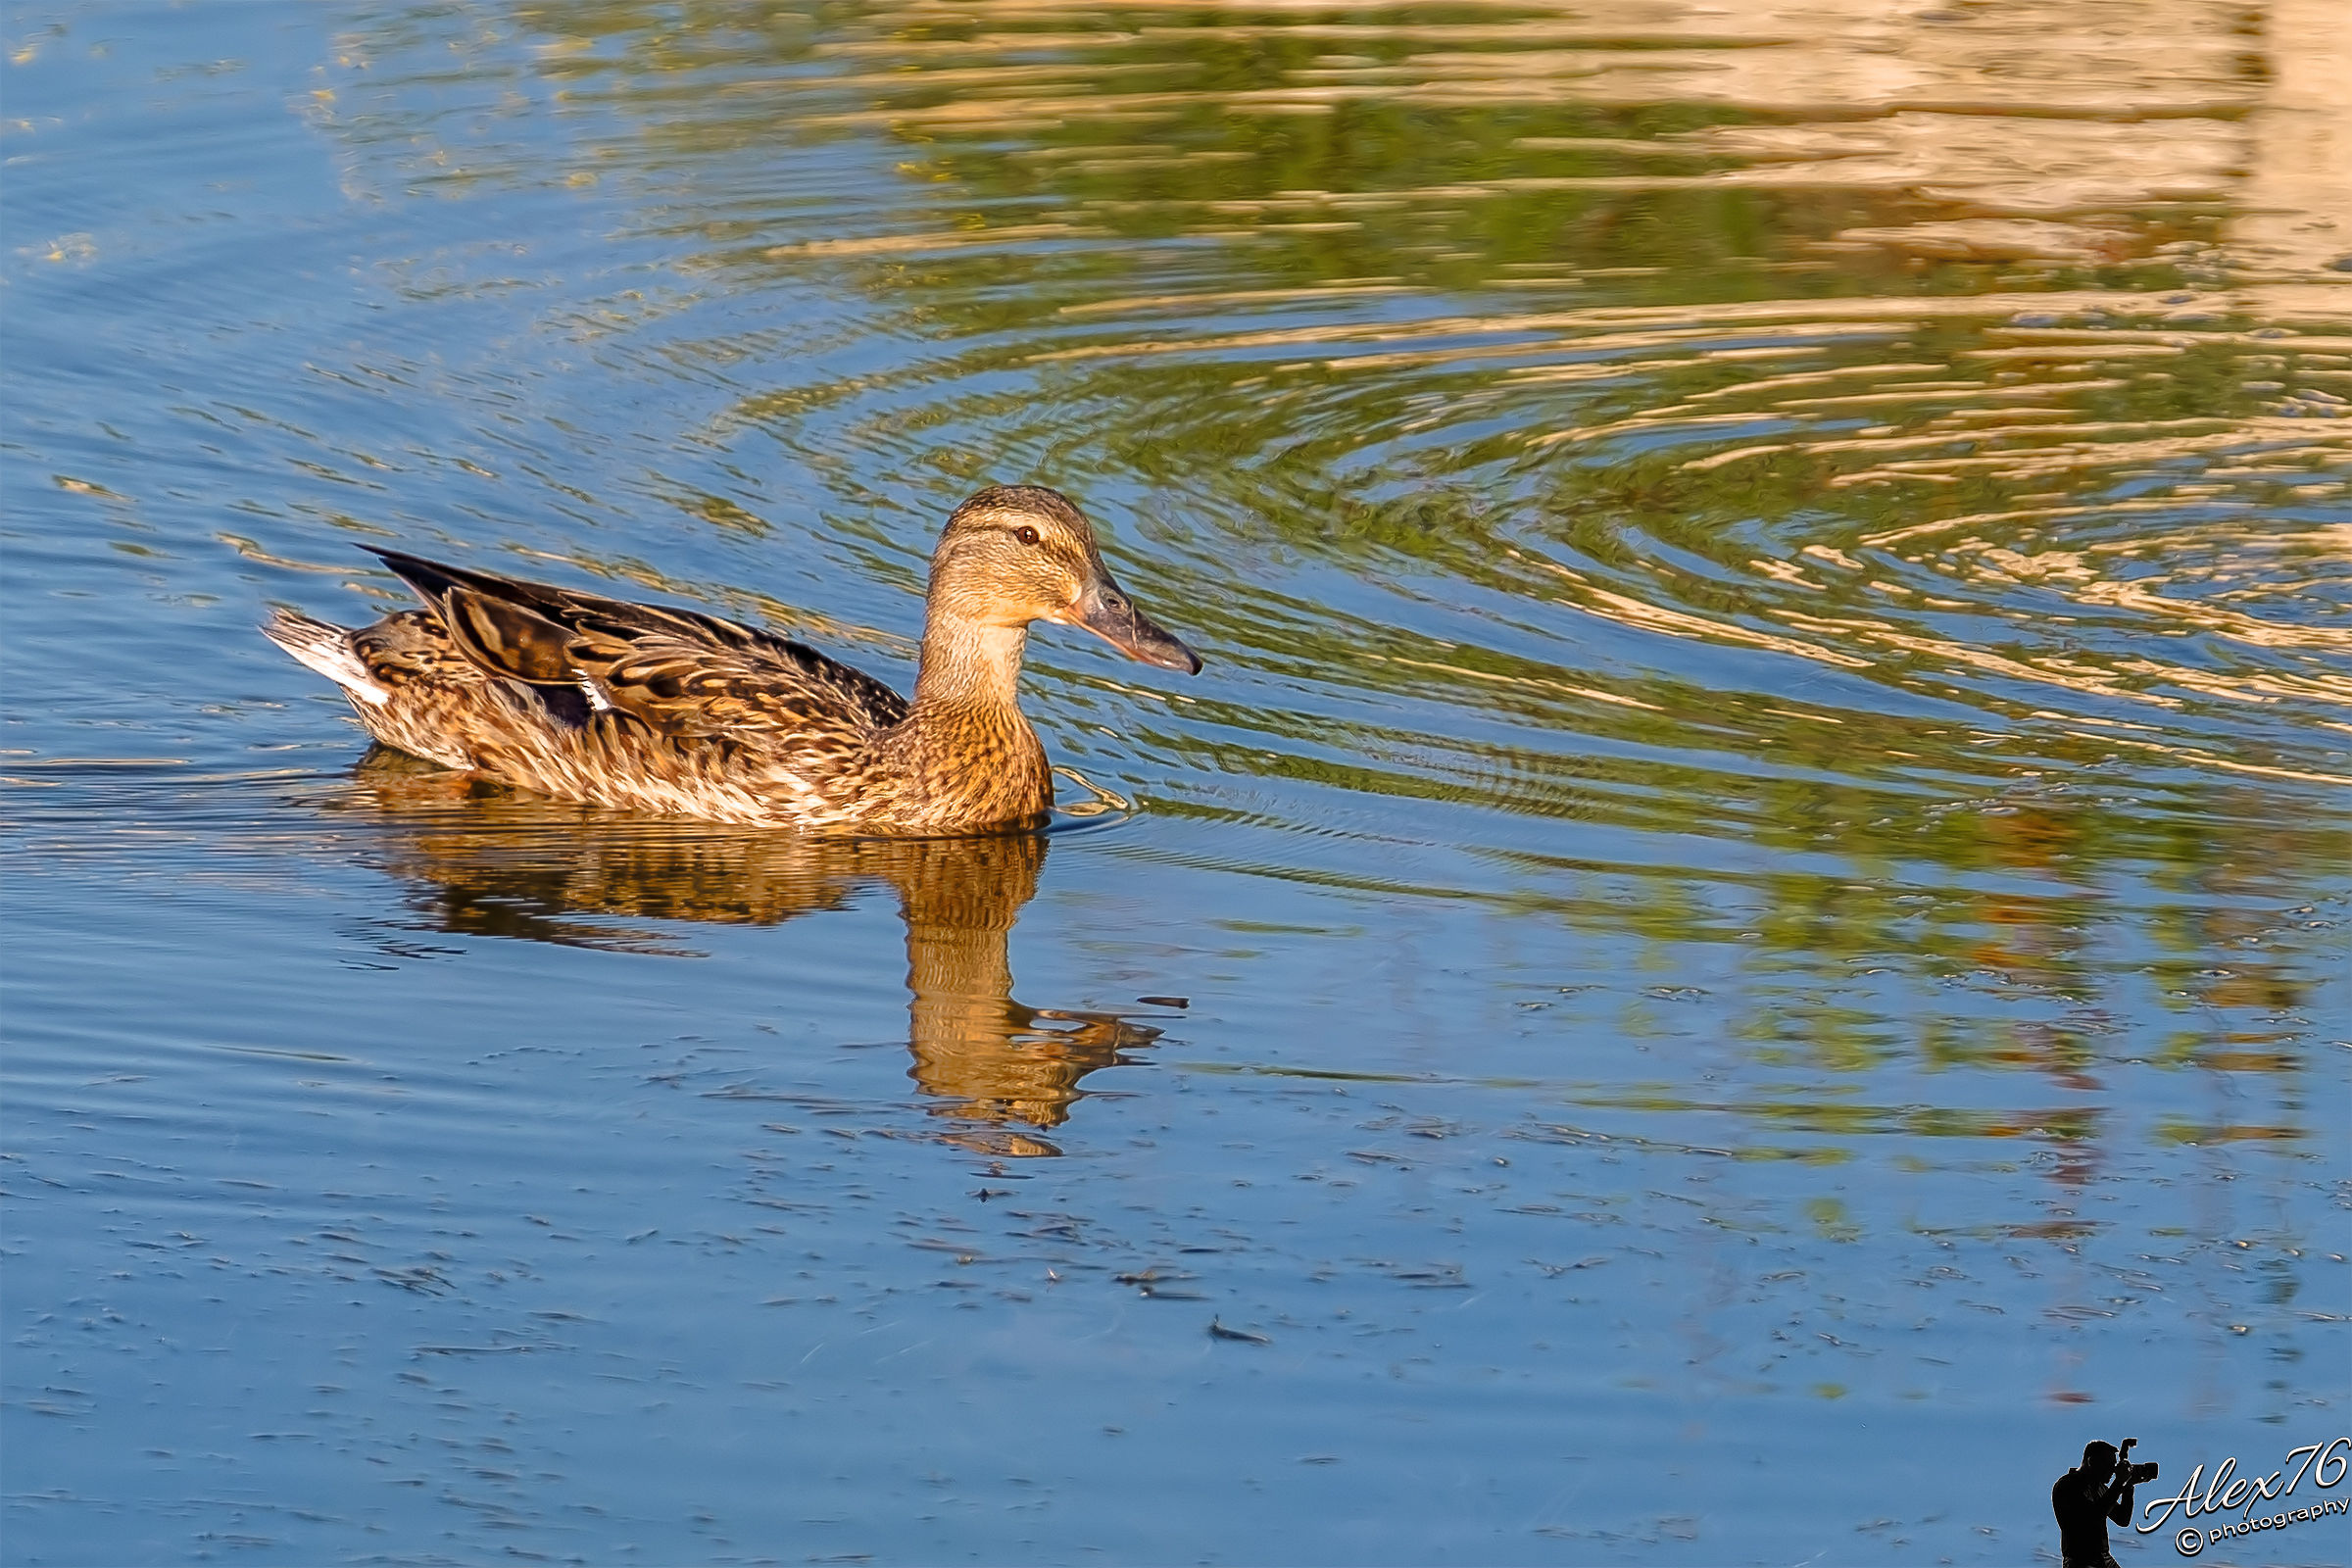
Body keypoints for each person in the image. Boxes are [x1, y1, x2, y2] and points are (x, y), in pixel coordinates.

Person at [2052, 1441, 2136, 1568]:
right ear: (2091, 1462)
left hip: (2103, 1558)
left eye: (2114, 1466)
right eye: (2108, 1465)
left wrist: (2128, 1486)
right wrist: (2119, 1483)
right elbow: (2092, 1517)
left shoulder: (2100, 1488)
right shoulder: (2067, 1485)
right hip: (2080, 1560)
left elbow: (2122, 1519)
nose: (2113, 1471)